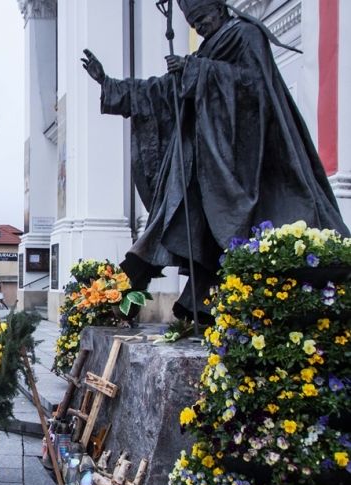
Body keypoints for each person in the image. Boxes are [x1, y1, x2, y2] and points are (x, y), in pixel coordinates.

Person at [81, 0, 349, 320]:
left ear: (220, 9)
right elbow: (165, 91)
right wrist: (110, 84)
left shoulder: (246, 36)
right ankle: (133, 297)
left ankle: (152, 300)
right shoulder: (206, 50)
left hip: (238, 164)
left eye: (203, 19)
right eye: (194, 24)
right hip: (196, 164)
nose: (200, 27)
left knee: (201, 230)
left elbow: (256, 85)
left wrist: (198, 71)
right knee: (173, 225)